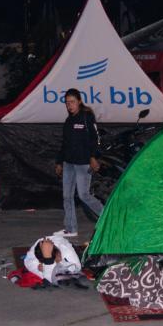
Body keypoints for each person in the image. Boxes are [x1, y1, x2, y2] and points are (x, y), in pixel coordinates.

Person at [54, 88, 103, 238]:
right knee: (67, 196)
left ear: (79, 101)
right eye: (67, 103)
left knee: (84, 195)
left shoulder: (87, 117)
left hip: (83, 163)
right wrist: (59, 162)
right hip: (68, 163)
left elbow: (96, 139)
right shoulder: (68, 121)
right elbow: (64, 144)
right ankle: (70, 228)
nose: (69, 105)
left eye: (72, 102)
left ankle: (107, 217)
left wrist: (93, 157)